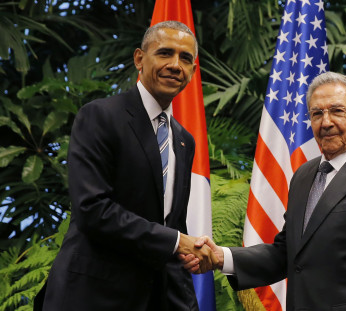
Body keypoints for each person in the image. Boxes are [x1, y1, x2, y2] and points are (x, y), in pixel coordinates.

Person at [182, 71, 346, 311]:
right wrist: (222, 257)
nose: (326, 122)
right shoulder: (304, 175)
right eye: (317, 114)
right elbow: (287, 253)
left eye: (337, 111)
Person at [34, 21, 217, 311]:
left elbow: (171, 225)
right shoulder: (100, 116)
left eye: (186, 58)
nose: (175, 65)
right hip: (91, 296)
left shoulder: (184, 141)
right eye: (165, 53)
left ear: (193, 71)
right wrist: (175, 241)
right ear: (139, 59)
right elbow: (93, 210)